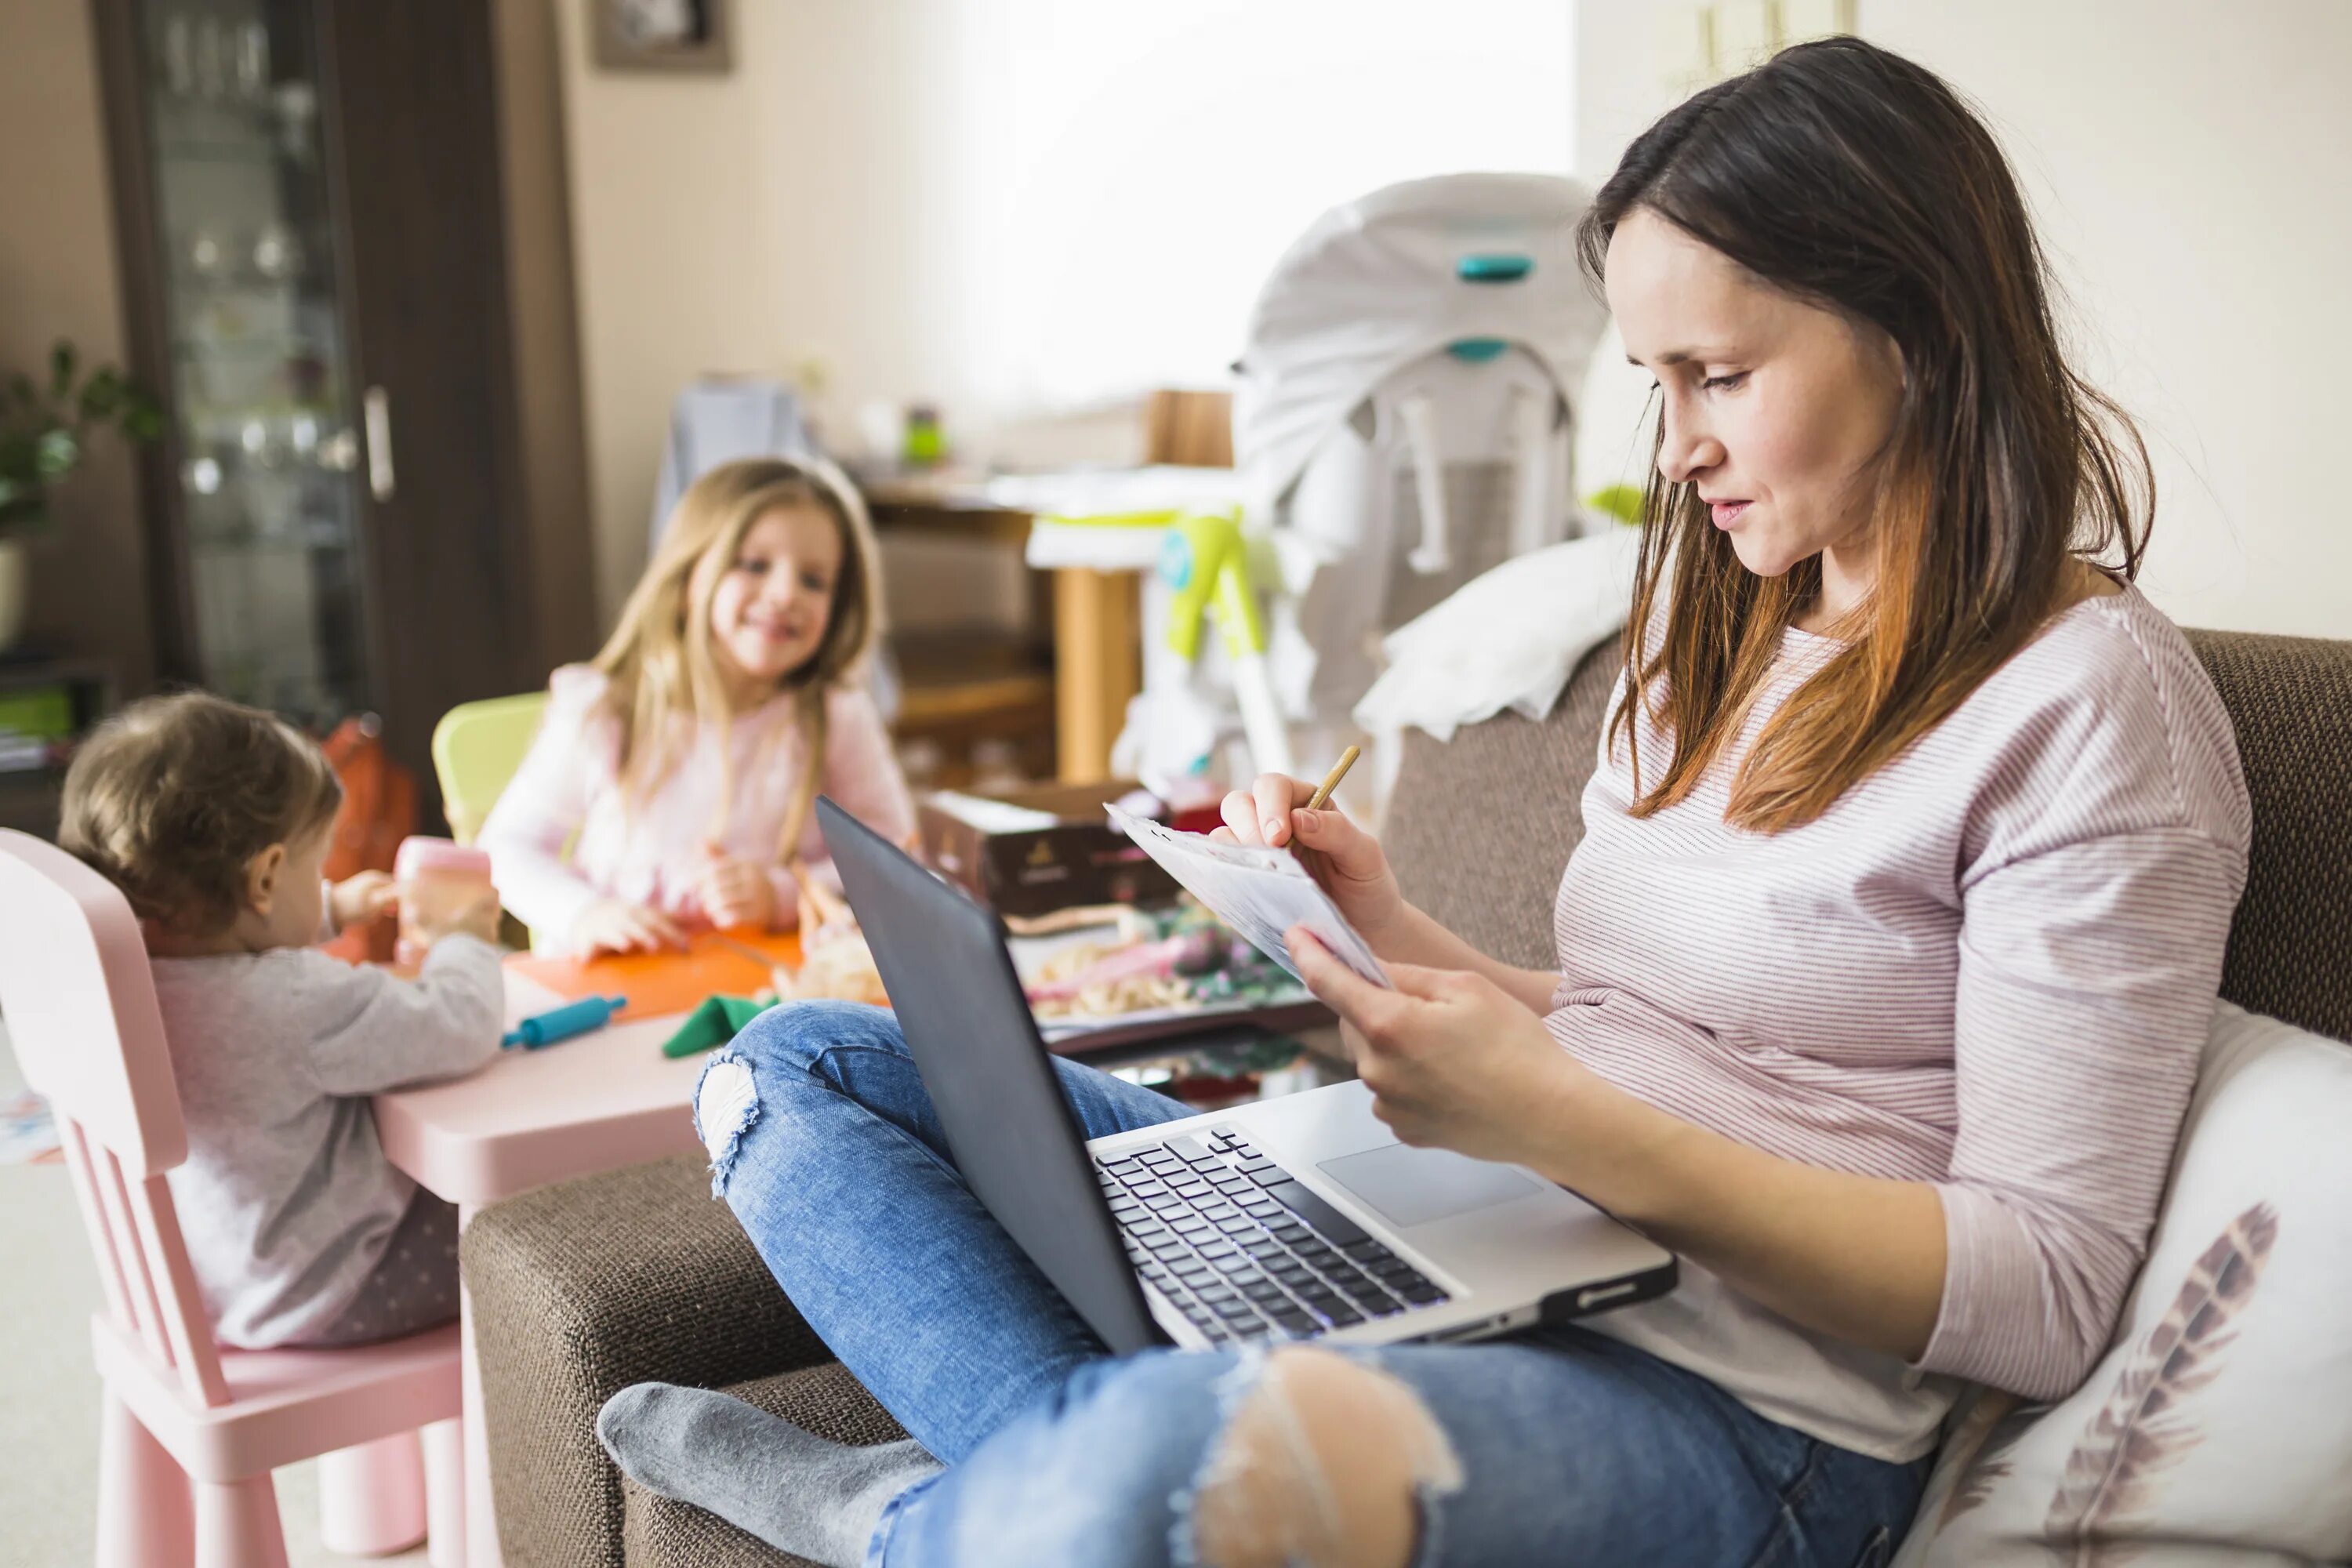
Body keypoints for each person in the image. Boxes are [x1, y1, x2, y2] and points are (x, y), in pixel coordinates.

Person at [593, 38, 2250, 1566]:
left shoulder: (2090, 709)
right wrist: (1380, 930)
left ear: (1920, 332)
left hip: (1757, 1413)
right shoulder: (1720, 628)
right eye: (1649, 382)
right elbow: (1623, 1016)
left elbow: (2042, 1290)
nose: (1672, 448)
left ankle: (920, 1520)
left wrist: (1561, 1123)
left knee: (1156, 1464)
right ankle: (1027, 1510)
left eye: (1716, 376)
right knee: (795, 1073)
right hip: (1495, 1238)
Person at [58, 693, 504, 1349]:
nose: (322, 879)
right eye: (316, 865)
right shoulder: (294, 1000)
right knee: (523, 1226)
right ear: (265, 878)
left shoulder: (117, 975)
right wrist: (463, 941)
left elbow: (233, 930)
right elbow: (464, 1023)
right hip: (336, 1289)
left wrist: (328, 908)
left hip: (204, 1287)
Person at [479, 456, 915, 956]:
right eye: (754, 565)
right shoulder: (606, 712)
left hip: (770, 997)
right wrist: (585, 914)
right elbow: (506, 849)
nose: (784, 593)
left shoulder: (835, 715)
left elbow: (898, 861)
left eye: (814, 580)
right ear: (688, 580)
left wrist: (779, 894)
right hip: (619, 993)